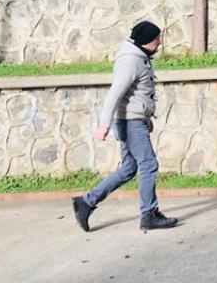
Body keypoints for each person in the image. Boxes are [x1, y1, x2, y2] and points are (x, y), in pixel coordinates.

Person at [71, 21, 178, 232]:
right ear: (147, 39)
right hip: (130, 122)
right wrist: (104, 125)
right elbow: (115, 93)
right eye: (157, 38)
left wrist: (146, 118)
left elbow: (137, 94)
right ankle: (149, 214)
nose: (160, 42)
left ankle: (86, 202)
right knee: (148, 164)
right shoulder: (131, 61)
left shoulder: (140, 57)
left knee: (129, 168)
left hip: (134, 120)